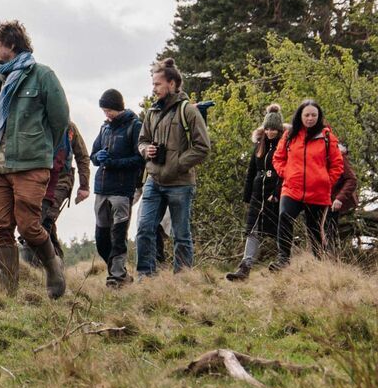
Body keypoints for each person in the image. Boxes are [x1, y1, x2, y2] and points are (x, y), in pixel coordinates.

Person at [0, 20, 72, 298]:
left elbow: (60, 121)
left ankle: (53, 266)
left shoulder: (42, 75)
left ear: (12, 45)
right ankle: (8, 295)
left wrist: (39, 148)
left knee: (29, 226)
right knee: (1, 227)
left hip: (30, 164)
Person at [134, 60, 214, 278]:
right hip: (154, 181)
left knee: (181, 234)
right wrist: (146, 149)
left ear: (172, 83)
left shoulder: (188, 111)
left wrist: (177, 164)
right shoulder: (152, 112)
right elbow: (142, 140)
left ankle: (183, 279)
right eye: (153, 84)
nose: (154, 88)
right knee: (144, 229)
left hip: (180, 183)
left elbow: (202, 147)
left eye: (158, 84)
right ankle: (145, 277)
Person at [270, 99, 347, 266]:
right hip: (292, 189)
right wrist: (287, 173)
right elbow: (278, 158)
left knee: (314, 230)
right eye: (307, 115)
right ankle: (283, 260)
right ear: (300, 116)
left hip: (317, 192)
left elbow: (337, 165)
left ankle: (321, 263)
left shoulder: (327, 137)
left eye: (314, 115)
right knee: (284, 217)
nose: (310, 118)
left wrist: (326, 181)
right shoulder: (289, 135)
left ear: (318, 117)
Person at [88, 89, 145, 288]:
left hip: (122, 190)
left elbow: (139, 159)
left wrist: (114, 162)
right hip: (102, 188)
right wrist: (99, 158)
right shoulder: (104, 128)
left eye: (108, 110)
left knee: (118, 235)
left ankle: (116, 278)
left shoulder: (134, 126)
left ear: (118, 107)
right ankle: (119, 272)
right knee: (101, 237)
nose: (106, 114)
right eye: (104, 110)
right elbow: (93, 155)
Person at [225, 105, 285, 281]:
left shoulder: (284, 146)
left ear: (279, 129)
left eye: (273, 128)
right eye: (267, 128)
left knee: (280, 229)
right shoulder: (259, 145)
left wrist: (277, 192)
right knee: (252, 230)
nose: (270, 132)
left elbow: (285, 172)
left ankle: (286, 261)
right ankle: (245, 267)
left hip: (276, 194)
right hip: (257, 194)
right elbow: (251, 171)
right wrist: (247, 195)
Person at [34, 116, 92, 269]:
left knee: (45, 221)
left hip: (62, 179)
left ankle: (37, 268)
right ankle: (58, 266)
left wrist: (84, 186)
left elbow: (82, 156)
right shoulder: (35, 121)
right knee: (42, 225)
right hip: (38, 180)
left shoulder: (70, 128)